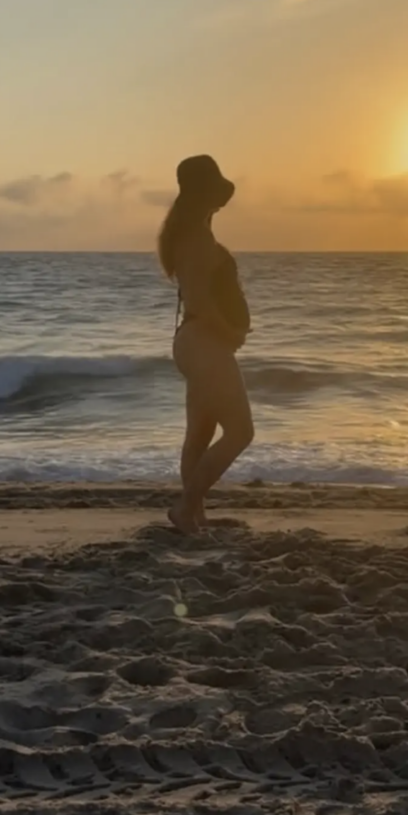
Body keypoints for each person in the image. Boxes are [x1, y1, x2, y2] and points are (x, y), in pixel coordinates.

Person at [157, 154, 254, 533]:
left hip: (197, 342)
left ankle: (194, 518)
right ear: (204, 191)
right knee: (241, 432)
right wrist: (229, 333)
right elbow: (198, 300)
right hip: (203, 342)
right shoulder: (195, 238)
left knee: (199, 435)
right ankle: (186, 508)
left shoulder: (194, 230)